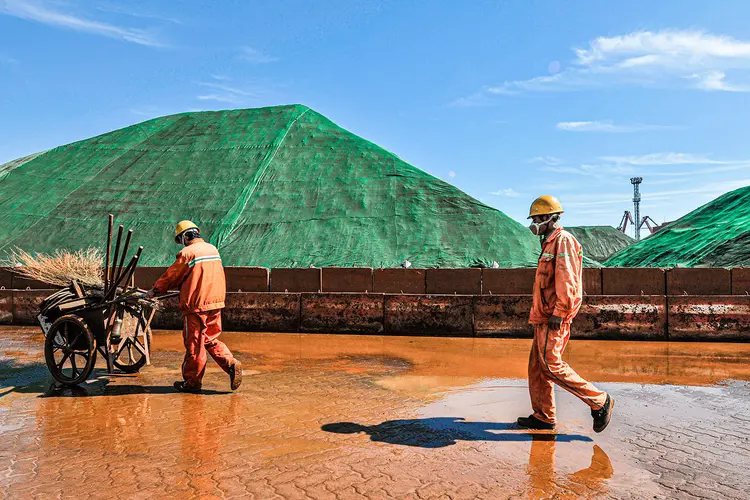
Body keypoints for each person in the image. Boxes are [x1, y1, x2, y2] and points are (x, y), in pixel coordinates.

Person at [517, 196, 614, 432]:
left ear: (550, 218)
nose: (534, 223)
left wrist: (560, 312)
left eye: (537, 219)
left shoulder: (563, 241)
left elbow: (567, 279)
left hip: (554, 315)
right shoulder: (549, 243)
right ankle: (543, 416)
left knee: (551, 365)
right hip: (543, 315)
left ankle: (599, 401)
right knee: (537, 368)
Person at [148, 220, 242, 393]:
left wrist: (155, 290)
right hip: (216, 301)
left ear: (185, 237)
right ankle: (231, 363)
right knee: (210, 339)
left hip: (197, 304)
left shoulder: (188, 253)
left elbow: (172, 276)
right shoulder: (212, 249)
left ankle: (192, 383)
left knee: (195, 344)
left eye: (180, 239)